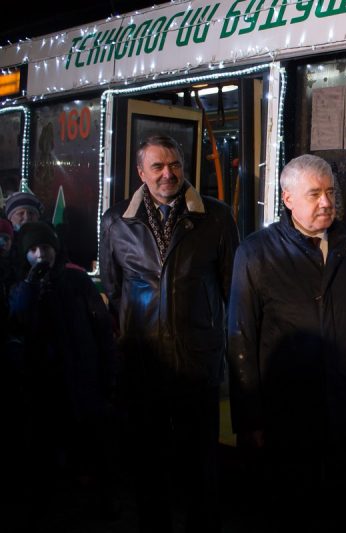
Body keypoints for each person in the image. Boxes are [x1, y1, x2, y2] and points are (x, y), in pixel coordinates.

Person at [226, 154, 346, 532]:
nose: (326, 202)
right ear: (288, 199)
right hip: (288, 409)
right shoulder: (256, 253)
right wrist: (250, 416)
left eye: (330, 192)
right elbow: (241, 334)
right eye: (314, 194)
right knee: (295, 505)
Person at [100, 135, 239, 533]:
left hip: (198, 361)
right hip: (144, 363)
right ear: (141, 173)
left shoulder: (216, 217)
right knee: (149, 461)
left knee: (202, 464)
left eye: (174, 165)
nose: (168, 174)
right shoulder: (116, 222)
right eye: (158, 167)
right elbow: (114, 287)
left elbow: (232, 288)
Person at [8, 221, 117, 529]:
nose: (41, 255)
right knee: (44, 450)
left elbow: (101, 329)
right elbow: (18, 319)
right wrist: (31, 285)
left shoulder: (76, 281)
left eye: (45, 247)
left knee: (94, 445)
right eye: (33, 250)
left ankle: (104, 501)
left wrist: (108, 373)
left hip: (81, 377)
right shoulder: (21, 285)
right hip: (43, 383)